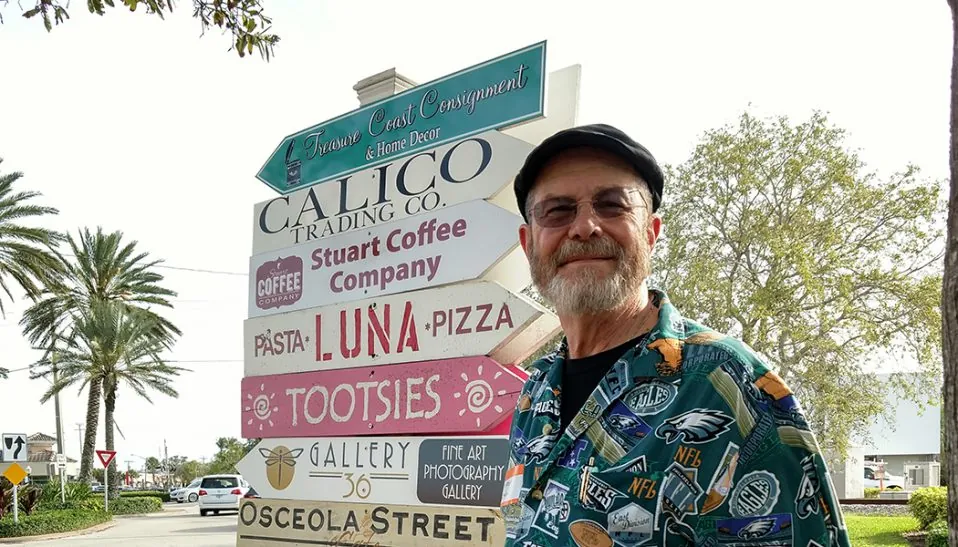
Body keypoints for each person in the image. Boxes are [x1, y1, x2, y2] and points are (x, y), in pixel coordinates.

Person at [500, 124, 851, 547]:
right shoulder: (536, 391)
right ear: (529, 244)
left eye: (612, 206)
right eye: (558, 211)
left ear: (650, 233)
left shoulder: (730, 382)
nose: (585, 226)